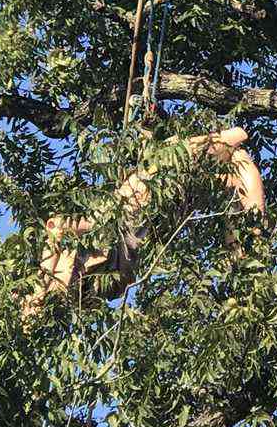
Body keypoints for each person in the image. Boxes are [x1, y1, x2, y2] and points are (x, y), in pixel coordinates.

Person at [22, 126, 264, 317]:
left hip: (131, 230)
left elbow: (58, 229)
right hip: (131, 218)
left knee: (234, 165)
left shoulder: (93, 283)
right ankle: (250, 251)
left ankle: (248, 255)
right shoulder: (89, 277)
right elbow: (57, 227)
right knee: (234, 150)